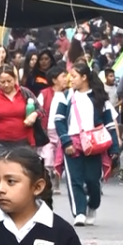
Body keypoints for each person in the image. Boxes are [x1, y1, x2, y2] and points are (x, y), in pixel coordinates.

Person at [55, 63, 120, 227]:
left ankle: (93, 205)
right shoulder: (66, 96)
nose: (71, 80)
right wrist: (66, 141)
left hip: (94, 144)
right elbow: (59, 120)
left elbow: (109, 124)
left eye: (74, 76)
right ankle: (79, 213)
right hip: (72, 144)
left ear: (84, 78)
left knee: (93, 180)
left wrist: (114, 149)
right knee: (74, 180)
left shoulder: (99, 98)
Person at [0, 64, 41, 163]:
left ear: (15, 79)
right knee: (2, 173)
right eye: (2, 82)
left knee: (22, 173)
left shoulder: (25, 93)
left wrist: (34, 115)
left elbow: (40, 109)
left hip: (24, 142)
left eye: (9, 81)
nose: (6, 85)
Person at [37, 66, 69, 195]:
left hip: (62, 132)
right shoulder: (44, 94)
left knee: (59, 158)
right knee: (48, 158)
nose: (66, 79)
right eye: (63, 76)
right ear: (54, 80)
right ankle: (48, 182)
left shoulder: (68, 94)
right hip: (48, 132)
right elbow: (38, 110)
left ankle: (57, 182)